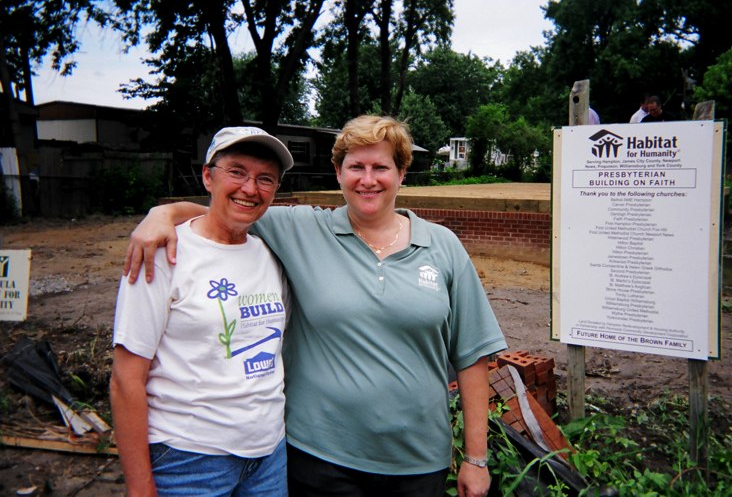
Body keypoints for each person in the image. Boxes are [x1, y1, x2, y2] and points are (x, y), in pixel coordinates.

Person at [125, 115, 507, 497]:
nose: (368, 179)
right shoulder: (301, 229)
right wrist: (162, 214)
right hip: (320, 456)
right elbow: (230, 208)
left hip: (418, 459)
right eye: (356, 166)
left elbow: (471, 355)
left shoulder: (442, 246)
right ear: (337, 172)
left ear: (402, 172)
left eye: (381, 167)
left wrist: (476, 458)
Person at [110, 126, 294, 496]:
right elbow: (125, 380)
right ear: (208, 176)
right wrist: (140, 488)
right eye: (237, 172)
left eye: (265, 179)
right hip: (188, 459)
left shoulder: (272, 253)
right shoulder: (163, 255)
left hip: (269, 455)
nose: (250, 188)